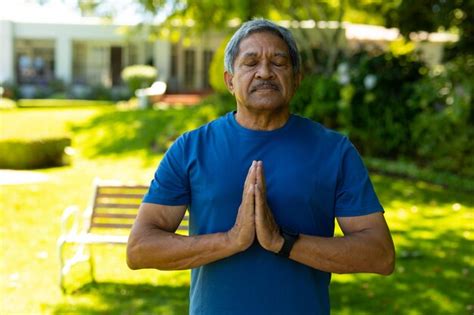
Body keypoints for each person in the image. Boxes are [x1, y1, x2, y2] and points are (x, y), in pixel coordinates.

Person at [127, 19, 395, 315]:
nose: (265, 72)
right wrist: (231, 240)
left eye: (279, 63)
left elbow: (379, 255)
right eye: (251, 62)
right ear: (230, 80)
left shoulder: (334, 151)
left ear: (296, 78)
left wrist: (283, 242)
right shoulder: (191, 149)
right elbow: (140, 248)